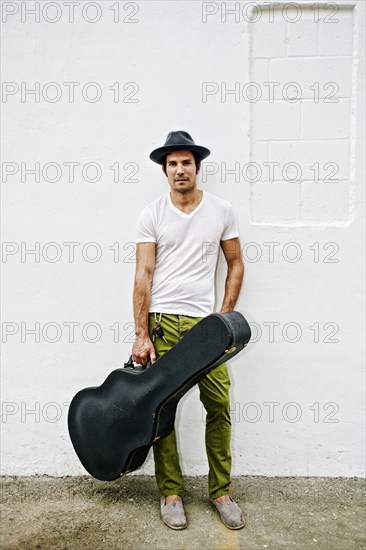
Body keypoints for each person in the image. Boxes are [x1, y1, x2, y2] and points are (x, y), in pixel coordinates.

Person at [132, 130, 245, 530]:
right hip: (163, 323)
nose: (180, 169)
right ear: (165, 171)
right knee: (162, 411)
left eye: (186, 162)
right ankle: (172, 492)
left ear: (198, 167)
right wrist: (141, 333)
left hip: (205, 326)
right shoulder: (152, 214)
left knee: (219, 406)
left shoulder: (221, 209)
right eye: (173, 164)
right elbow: (143, 274)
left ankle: (222, 492)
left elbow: (235, 263)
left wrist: (225, 319)